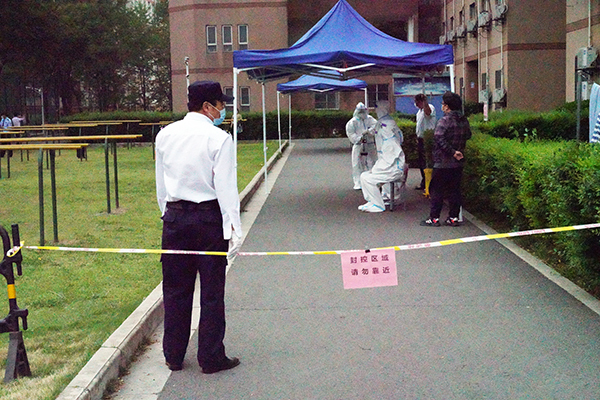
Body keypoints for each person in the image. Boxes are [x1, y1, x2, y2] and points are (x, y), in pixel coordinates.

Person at [155, 80, 243, 374]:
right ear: (207, 106)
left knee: (175, 289)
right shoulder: (219, 138)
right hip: (208, 218)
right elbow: (226, 188)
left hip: (175, 217)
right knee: (211, 291)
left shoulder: (165, 135)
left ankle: (173, 354)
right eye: (220, 104)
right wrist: (233, 229)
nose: (223, 110)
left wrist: (168, 214)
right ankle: (210, 356)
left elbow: (161, 185)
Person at [421, 91, 472, 227]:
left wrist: (452, 151)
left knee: (437, 190)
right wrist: (458, 149)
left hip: (442, 162)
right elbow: (468, 135)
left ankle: (434, 218)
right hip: (458, 163)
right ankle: (453, 217)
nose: (442, 106)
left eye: (443, 104)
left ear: (447, 106)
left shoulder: (444, 121)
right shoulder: (464, 120)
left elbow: (439, 138)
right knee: (454, 190)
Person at [358, 100, 406, 213]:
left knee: (368, 178)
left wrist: (376, 169)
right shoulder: (384, 123)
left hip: (392, 168)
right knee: (364, 176)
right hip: (386, 164)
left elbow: (390, 159)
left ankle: (378, 204)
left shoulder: (390, 141)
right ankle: (374, 200)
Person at [345, 102, 377, 189]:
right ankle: (358, 182)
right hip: (358, 145)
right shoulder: (352, 122)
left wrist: (369, 132)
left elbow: (377, 126)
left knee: (372, 162)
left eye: (363, 111)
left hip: (370, 144)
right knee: (357, 164)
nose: (362, 113)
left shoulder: (370, 119)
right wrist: (359, 138)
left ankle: (372, 181)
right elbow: (351, 133)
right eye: (360, 111)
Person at [414, 94, 437, 190]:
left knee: (427, 162)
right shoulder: (419, 112)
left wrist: (425, 102)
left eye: (417, 102)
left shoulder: (429, 107)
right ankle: (424, 182)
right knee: (421, 162)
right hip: (420, 139)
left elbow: (428, 113)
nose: (415, 104)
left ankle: (430, 183)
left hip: (428, 139)